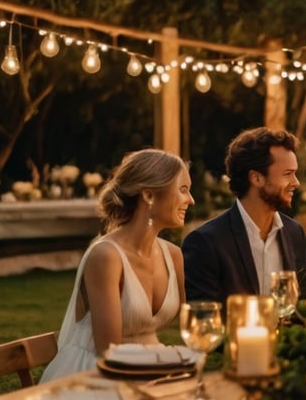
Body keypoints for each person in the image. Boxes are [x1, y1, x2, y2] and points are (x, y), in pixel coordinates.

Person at [41, 149, 192, 382]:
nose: (191, 200)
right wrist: (171, 361)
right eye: (183, 189)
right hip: (95, 376)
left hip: (152, 372)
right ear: (149, 195)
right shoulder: (106, 256)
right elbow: (110, 352)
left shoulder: (174, 256)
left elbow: (197, 322)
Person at [182, 127, 306, 302]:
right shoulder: (205, 243)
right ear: (256, 178)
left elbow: (301, 308)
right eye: (288, 174)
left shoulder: (294, 233)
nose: (296, 183)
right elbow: (204, 319)